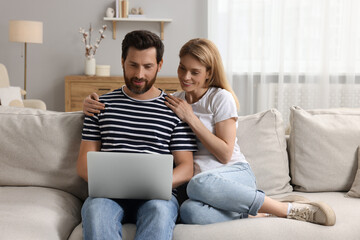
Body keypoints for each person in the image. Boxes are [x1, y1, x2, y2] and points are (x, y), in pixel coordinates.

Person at [83, 38, 336, 226]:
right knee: (190, 213)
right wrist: (90, 103)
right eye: (182, 69)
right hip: (203, 186)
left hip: (231, 174)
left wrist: (191, 119)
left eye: (195, 72)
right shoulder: (176, 101)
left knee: (196, 183)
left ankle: (285, 208)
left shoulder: (220, 98)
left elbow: (225, 154)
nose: (186, 77)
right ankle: (254, 210)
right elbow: (144, 102)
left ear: (208, 74)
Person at [77, 30, 197, 240]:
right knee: (96, 211)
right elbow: (83, 166)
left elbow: (186, 167)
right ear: (123, 61)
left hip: (157, 198)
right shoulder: (99, 106)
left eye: (148, 66)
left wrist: (155, 185)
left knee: (159, 212)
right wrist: (115, 184)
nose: (139, 74)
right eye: (133, 65)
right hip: (106, 197)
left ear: (159, 65)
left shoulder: (175, 110)